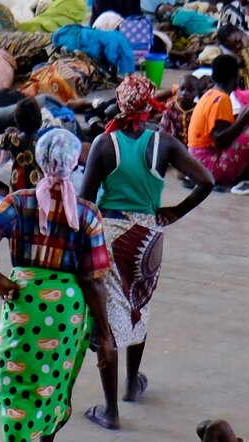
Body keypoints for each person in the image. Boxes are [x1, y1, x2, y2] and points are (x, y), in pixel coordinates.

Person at [0, 128, 113, 442]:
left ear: (37, 160)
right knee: (55, 381)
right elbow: (94, 281)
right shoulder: (87, 214)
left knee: (16, 385)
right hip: (66, 313)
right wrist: (104, 335)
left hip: (25, 303)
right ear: (74, 164)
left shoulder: (18, 203)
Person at [81, 74, 214, 416]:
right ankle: (131, 384)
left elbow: (84, 200)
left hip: (111, 234)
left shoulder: (104, 143)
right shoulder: (164, 143)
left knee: (106, 319)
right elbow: (207, 180)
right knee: (139, 304)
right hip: (148, 235)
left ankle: (109, 410)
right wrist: (175, 212)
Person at [187, 49, 249, 192]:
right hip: (209, 166)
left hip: (196, 162)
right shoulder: (222, 99)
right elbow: (220, 140)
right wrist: (247, 116)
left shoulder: (210, 95)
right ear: (235, 78)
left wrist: (245, 117)